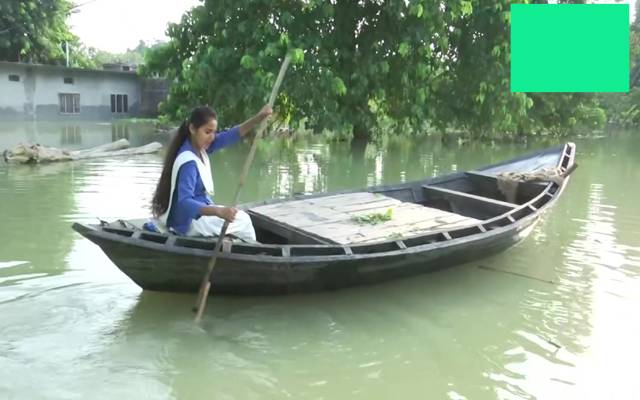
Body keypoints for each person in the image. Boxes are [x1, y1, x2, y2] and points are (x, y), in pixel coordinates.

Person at [151, 105, 272, 241]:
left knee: (241, 217)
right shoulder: (189, 162)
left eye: (214, 132)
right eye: (207, 132)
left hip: (197, 214)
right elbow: (184, 202)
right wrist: (218, 211)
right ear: (192, 129)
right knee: (244, 222)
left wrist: (258, 118)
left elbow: (231, 135)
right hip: (187, 222)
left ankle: (240, 249)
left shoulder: (199, 147)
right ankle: (249, 255)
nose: (212, 137)